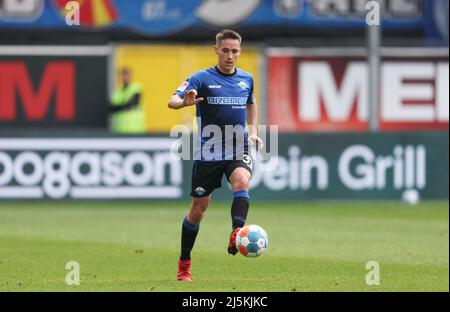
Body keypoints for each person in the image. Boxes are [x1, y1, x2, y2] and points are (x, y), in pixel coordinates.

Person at [168, 29, 263, 281]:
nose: (230, 56)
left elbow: (251, 102)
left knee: (242, 180)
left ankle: (236, 233)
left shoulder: (246, 79)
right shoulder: (201, 78)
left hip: (237, 147)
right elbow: (172, 100)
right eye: (225, 50)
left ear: (239, 51)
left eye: (234, 51)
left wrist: (252, 131)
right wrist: (184, 103)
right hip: (209, 153)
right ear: (216, 50)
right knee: (198, 210)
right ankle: (184, 262)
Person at [109, 68, 145, 133]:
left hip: (135, 130)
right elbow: (111, 108)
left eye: (127, 75)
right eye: (123, 75)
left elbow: (132, 103)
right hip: (119, 130)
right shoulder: (117, 92)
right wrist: (125, 105)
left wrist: (120, 106)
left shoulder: (136, 88)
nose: (125, 77)